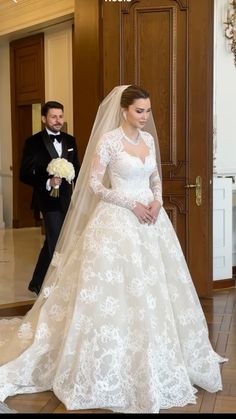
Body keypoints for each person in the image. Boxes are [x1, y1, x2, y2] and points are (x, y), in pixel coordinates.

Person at [0, 86, 226, 414]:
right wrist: (132, 204)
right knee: (113, 290)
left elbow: (155, 178)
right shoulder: (108, 141)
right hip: (117, 221)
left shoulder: (147, 141)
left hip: (151, 223)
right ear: (124, 111)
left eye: (147, 111)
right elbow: (94, 185)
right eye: (139, 111)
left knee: (154, 290)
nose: (145, 117)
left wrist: (157, 202)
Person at [19, 101, 80, 295]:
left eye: (60, 116)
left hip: (66, 199)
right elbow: (25, 173)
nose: (58, 120)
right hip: (46, 199)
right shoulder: (33, 142)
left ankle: (36, 282)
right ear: (44, 118)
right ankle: (57, 288)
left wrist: (79, 193)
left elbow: (76, 168)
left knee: (54, 241)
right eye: (53, 117)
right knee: (56, 241)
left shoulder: (70, 141)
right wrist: (47, 181)